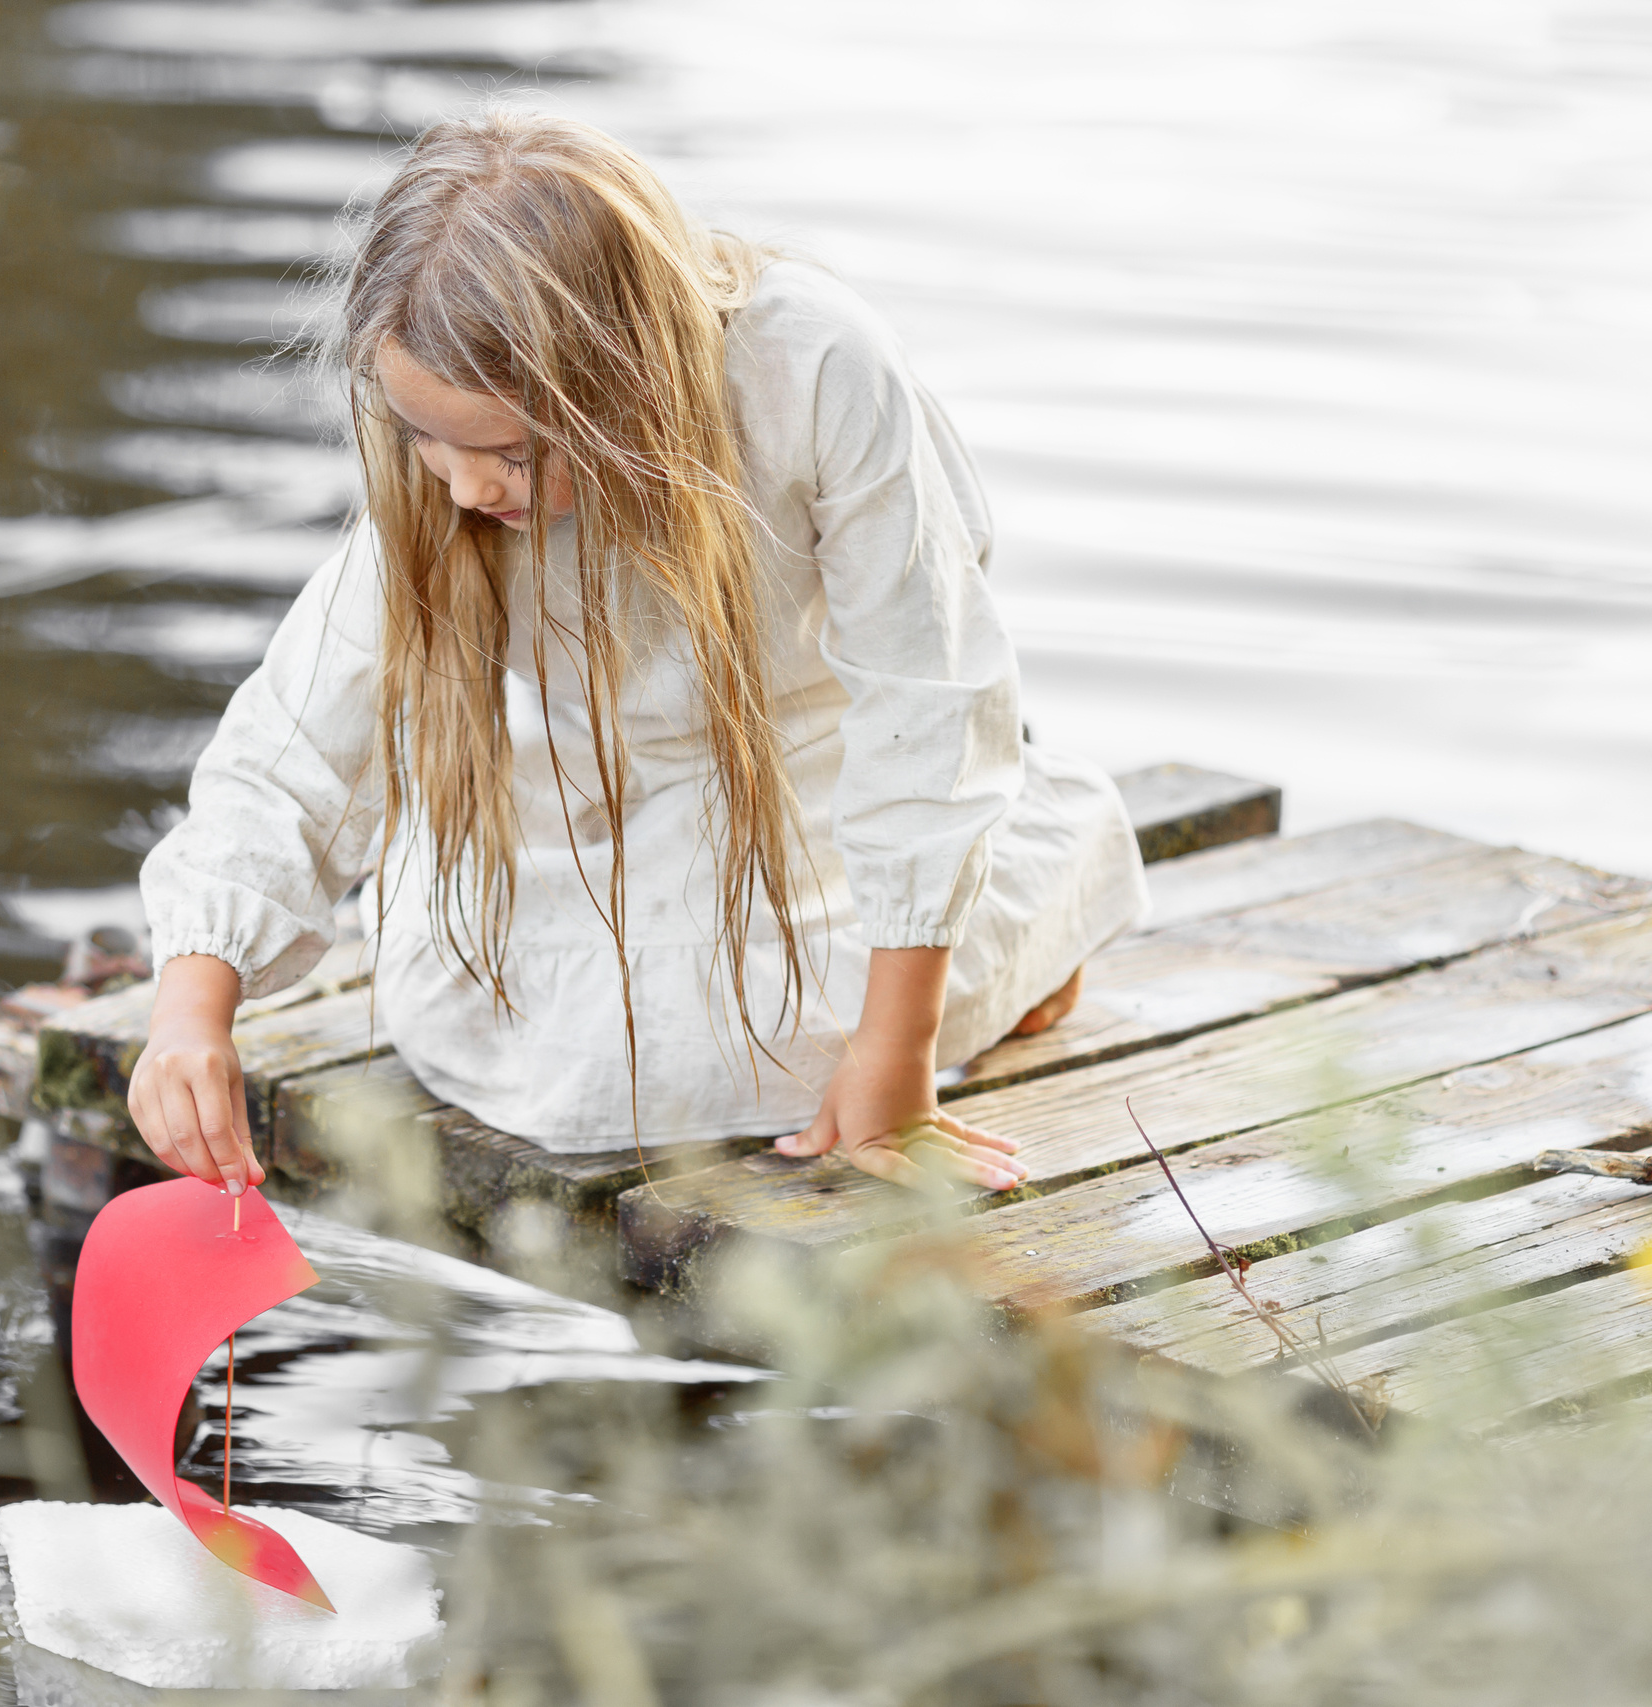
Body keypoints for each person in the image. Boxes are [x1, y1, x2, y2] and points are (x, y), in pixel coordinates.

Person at [126, 111, 1148, 1199]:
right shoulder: (446, 496)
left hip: (800, 811)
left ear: (626, 391)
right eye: (424, 437)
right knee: (586, 1046)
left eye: (509, 453)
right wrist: (193, 1004)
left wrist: (893, 1055)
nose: (464, 488)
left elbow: (928, 696)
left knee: (844, 970)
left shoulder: (813, 369)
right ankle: (1032, 926)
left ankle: (987, 925)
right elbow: (300, 736)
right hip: (581, 817)